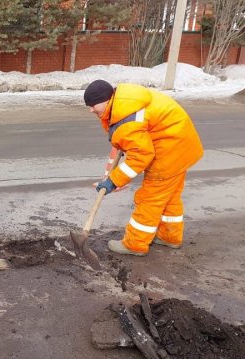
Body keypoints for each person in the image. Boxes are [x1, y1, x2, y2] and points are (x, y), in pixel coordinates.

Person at [84, 79, 204, 256]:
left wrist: (113, 181)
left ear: (107, 100)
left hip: (170, 151)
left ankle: (135, 244)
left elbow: (140, 156)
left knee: (149, 199)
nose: (91, 109)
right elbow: (130, 140)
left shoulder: (127, 119)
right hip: (181, 145)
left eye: (94, 105)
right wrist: (110, 174)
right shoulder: (124, 102)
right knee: (169, 196)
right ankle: (169, 237)